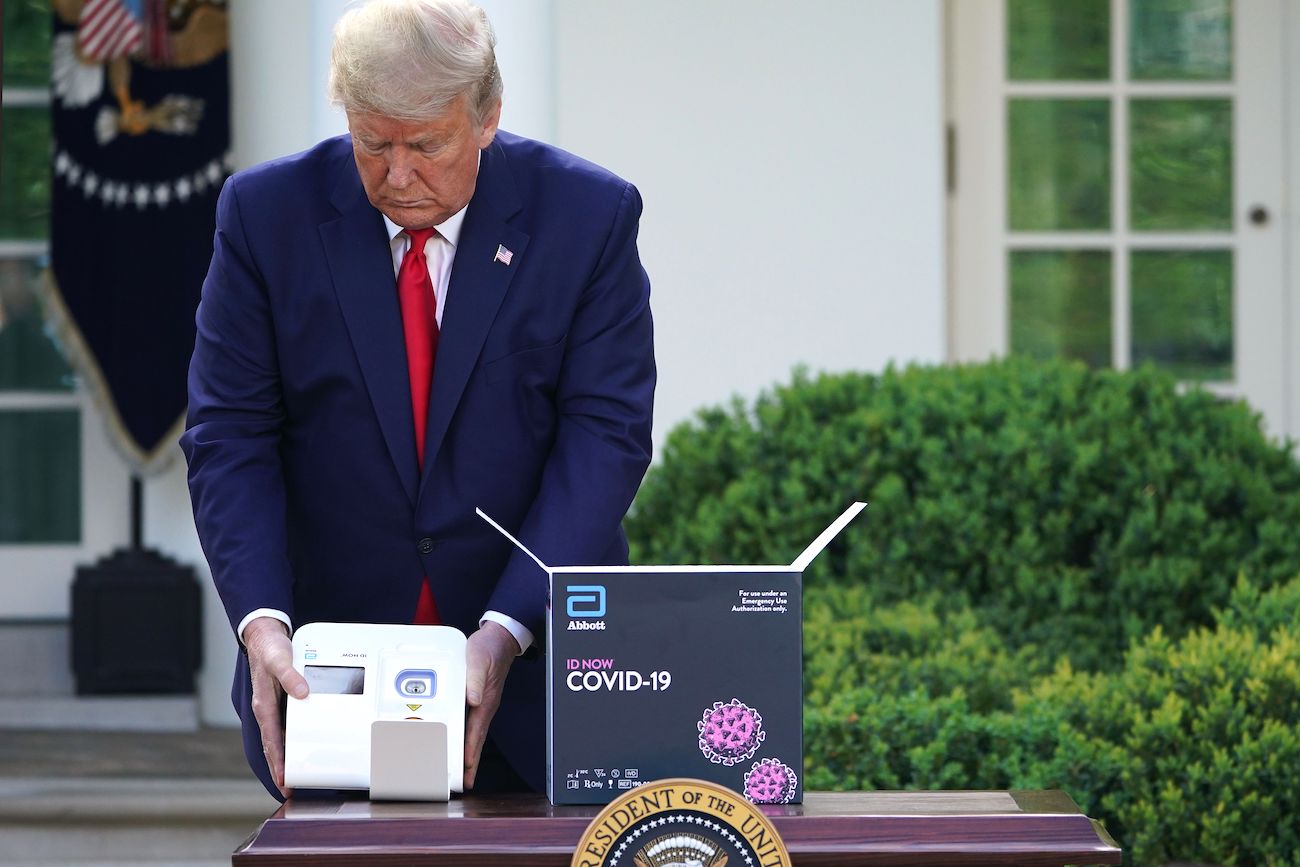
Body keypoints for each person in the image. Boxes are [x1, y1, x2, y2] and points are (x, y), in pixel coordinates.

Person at [181, 0, 655, 801]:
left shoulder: (588, 217)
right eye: (374, 144)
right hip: (331, 678)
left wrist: (507, 629)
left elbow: (605, 435)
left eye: (426, 146)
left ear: (488, 116)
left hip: (533, 667)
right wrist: (260, 619)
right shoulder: (265, 218)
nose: (398, 176)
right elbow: (230, 434)